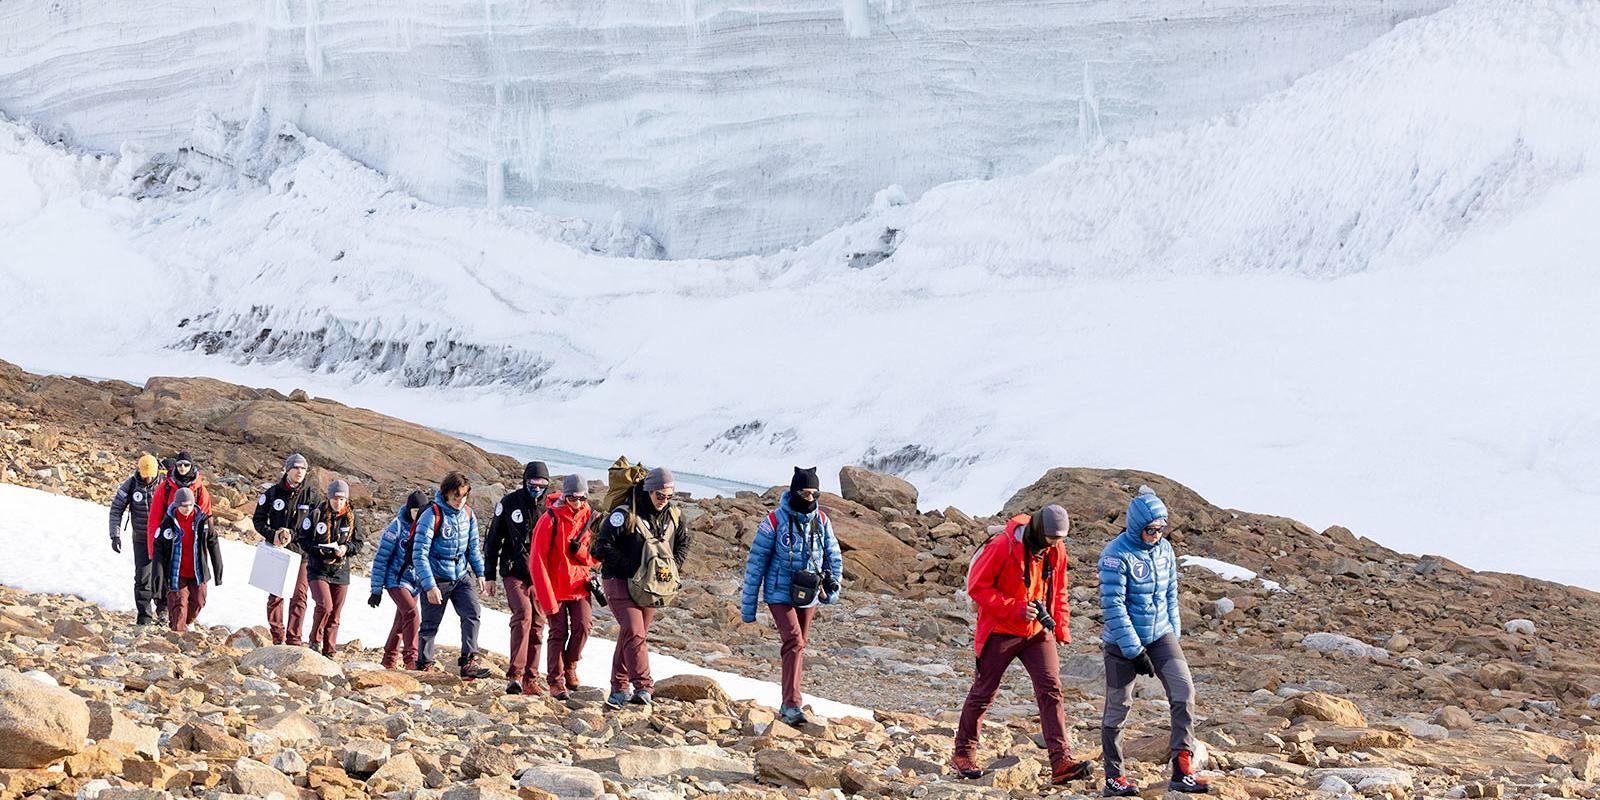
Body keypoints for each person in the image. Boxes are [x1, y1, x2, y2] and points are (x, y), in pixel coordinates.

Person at [954, 504, 1094, 786]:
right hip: (1001, 629)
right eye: (1052, 538)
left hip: (1037, 630)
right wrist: (1014, 608)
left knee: (1051, 688)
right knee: (984, 691)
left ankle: (1061, 762)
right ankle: (963, 754)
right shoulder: (1002, 545)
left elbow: (1060, 588)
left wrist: (1061, 626)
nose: (1056, 544)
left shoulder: (1057, 549)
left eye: (1060, 539)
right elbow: (978, 587)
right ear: (1039, 530)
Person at [1098, 488, 1209, 795]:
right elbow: (1113, 607)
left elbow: (1170, 594)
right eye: (1151, 530)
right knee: (1118, 708)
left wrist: (1173, 632)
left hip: (1160, 635)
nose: (1157, 535)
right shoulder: (1115, 555)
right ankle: (1113, 777)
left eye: (1161, 529)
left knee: (1184, 693)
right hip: (1122, 644)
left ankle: (1182, 770)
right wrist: (1135, 651)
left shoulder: (1164, 550)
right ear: (1137, 526)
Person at [739, 467, 843, 725]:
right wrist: (748, 608)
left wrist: (833, 589)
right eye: (804, 493)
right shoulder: (773, 521)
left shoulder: (822, 521)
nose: (809, 498)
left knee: (798, 645)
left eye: (814, 493)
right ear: (794, 491)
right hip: (779, 593)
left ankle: (789, 700)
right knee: (794, 641)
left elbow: (834, 556)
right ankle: (791, 704)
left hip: (809, 594)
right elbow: (755, 565)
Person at [593, 466, 691, 707]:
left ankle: (618, 689)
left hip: (651, 586)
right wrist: (633, 568)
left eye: (669, 497)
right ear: (649, 491)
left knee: (631, 634)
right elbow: (601, 547)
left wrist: (672, 567)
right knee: (635, 632)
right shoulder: (624, 514)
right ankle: (644, 687)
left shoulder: (674, 516)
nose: (664, 501)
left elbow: (683, 543)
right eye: (660, 496)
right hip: (617, 580)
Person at [412, 471, 492, 679]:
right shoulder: (432, 514)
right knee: (430, 624)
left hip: (461, 576)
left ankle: (469, 662)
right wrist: (429, 585)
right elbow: (419, 553)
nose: (460, 500)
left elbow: (473, 547)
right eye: (456, 495)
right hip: (437, 577)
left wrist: (480, 573)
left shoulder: (467, 514)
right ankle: (424, 664)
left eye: (464, 495)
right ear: (446, 493)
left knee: (472, 612)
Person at [485, 461, 553, 695]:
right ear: (525, 481)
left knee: (537, 625)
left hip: (541, 576)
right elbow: (493, 540)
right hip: (514, 570)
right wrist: (489, 575)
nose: (537, 488)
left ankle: (530, 679)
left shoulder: (551, 507)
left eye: (542, 485)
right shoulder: (509, 503)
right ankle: (515, 675)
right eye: (532, 484)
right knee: (523, 615)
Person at [530, 473, 597, 700]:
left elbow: (599, 553)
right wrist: (546, 599)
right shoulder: (549, 519)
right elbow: (537, 560)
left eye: (581, 497)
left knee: (584, 626)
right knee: (558, 632)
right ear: (565, 496)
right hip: (555, 587)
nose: (577, 502)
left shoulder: (590, 516)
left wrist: (585, 556)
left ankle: (570, 664)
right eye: (572, 498)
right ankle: (556, 681)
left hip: (579, 585)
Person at [252, 453, 322, 645]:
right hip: (278, 552)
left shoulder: (313, 496)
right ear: (288, 469)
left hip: (302, 554)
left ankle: (294, 639)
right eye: (296, 467)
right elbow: (258, 519)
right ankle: (277, 636)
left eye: (303, 468)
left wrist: (293, 534)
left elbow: (317, 526)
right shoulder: (272, 493)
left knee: (299, 596)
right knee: (276, 594)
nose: (299, 472)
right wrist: (272, 534)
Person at [301, 479, 365, 658]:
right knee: (324, 605)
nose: (338, 502)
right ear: (329, 498)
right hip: (318, 569)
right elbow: (303, 539)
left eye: (342, 499)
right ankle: (315, 640)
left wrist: (346, 549)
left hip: (341, 570)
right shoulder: (316, 514)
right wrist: (320, 550)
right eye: (335, 498)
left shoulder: (352, 518)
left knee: (335, 613)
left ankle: (329, 651)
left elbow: (358, 543)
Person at [369, 490, 428, 669]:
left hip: (415, 583)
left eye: (422, 510)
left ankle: (389, 659)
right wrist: (376, 589)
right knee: (411, 613)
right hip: (396, 579)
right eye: (415, 510)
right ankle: (411, 659)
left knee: (402, 620)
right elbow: (381, 558)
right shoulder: (397, 527)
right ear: (409, 509)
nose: (418, 514)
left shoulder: (428, 527)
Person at [155, 487, 223, 633]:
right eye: (183, 505)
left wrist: (218, 571)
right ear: (177, 505)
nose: (187, 509)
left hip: (197, 572)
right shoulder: (168, 523)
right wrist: (158, 576)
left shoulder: (203, 522)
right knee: (179, 606)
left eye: (190, 505)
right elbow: (158, 551)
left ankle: (189, 622)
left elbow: (214, 544)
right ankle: (176, 639)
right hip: (176, 572)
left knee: (199, 601)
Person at [109, 454, 162, 624]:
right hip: (140, 538)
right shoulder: (131, 484)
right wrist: (115, 535)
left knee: (162, 576)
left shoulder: (164, 484)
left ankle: (164, 612)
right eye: (145, 473)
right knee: (142, 578)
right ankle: (144, 616)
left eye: (151, 474)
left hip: (162, 538)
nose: (148, 477)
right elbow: (116, 509)